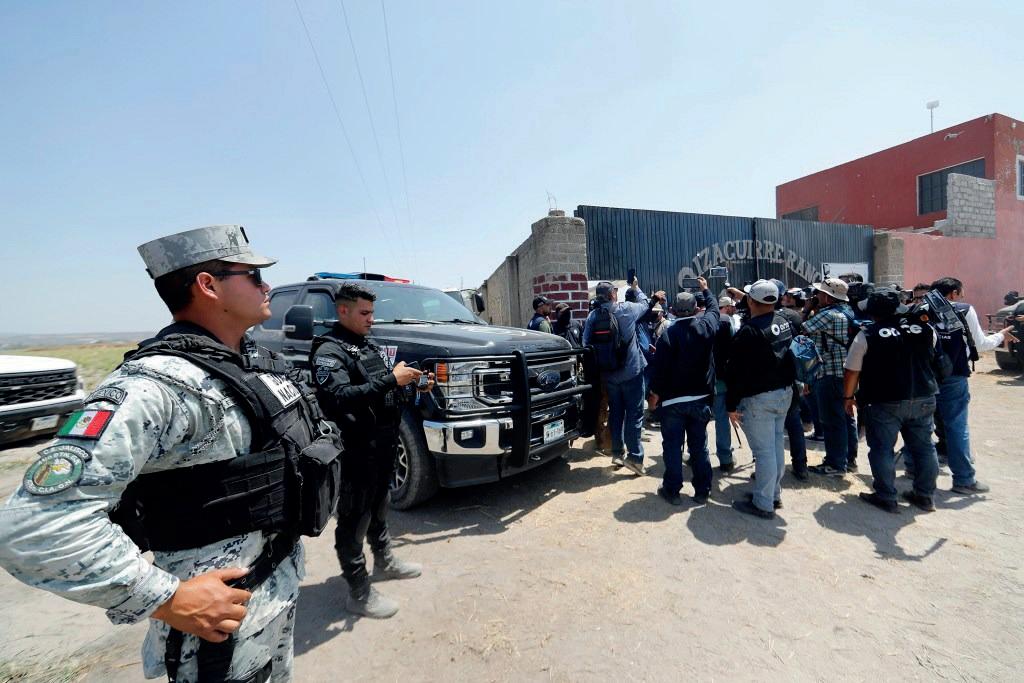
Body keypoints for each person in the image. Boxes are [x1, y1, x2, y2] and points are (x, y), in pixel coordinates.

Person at [0, 225, 343, 682]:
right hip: (215, 633)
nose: (267, 287)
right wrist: (168, 598)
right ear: (208, 285)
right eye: (253, 276)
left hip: (271, 600)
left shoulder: (249, 361)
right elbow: (34, 525)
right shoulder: (154, 386)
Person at [310, 281, 431, 618]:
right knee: (354, 518)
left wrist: (412, 386)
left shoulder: (366, 346)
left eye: (372, 312)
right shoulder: (329, 352)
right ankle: (359, 591)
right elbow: (339, 398)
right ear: (343, 310)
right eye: (364, 313)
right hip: (357, 449)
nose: (371, 319)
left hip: (383, 444)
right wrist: (392, 379)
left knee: (380, 505)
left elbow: (381, 393)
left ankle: (385, 560)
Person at [843, 287, 940, 513]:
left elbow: (852, 371)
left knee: (882, 449)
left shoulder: (866, 335)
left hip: (884, 401)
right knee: (925, 448)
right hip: (924, 396)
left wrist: (848, 397)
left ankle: (886, 496)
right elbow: (932, 357)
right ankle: (925, 496)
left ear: (872, 312)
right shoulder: (926, 329)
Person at [926, 277, 1017, 494]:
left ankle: (914, 470)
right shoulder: (965, 310)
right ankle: (964, 480)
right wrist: (1000, 336)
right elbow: (981, 344)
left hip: (924, 377)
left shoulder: (921, 309)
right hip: (954, 375)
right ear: (953, 293)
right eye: (961, 293)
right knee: (956, 426)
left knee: (921, 425)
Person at [724, 280, 797, 519]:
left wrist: (731, 405)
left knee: (765, 452)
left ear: (751, 301)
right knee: (775, 446)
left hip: (761, 399)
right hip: (784, 393)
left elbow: (735, 372)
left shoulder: (749, 331)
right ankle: (773, 494)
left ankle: (764, 503)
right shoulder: (783, 321)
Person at [648, 280, 720, 505]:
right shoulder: (706, 327)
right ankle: (702, 491)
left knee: (672, 447)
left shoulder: (667, 336)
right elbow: (714, 309)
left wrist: (654, 396)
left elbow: (659, 372)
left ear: (672, 311)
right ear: (697, 309)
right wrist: (705, 289)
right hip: (700, 400)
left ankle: (672, 490)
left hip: (672, 403)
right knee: (699, 447)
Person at [583, 279, 665, 475]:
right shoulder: (626, 309)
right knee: (634, 415)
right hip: (631, 372)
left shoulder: (593, 316)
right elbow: (645, 303)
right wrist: (636, 287)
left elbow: (586, 343)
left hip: (609, 376)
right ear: (612, 294)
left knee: (616, 413)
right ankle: (635, 458)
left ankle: (617, 453)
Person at [801, 277, 859, 476]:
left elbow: (802, 328)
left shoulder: (827, 315)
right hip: (847, 373)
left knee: (832, 421)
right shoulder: (848, 312)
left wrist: (807, 309)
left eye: (819, 293)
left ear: (828, 297)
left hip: (830, 373)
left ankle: (835, 464)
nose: (816, 296)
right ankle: (849, 460)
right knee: (846, 418)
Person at [711, 296, 736, 473]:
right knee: (721, 419)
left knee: (698, 421)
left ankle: (697, 455)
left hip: (700, 381)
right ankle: (726, 459)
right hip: (721, 378)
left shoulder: (695, 320)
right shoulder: (726, 321)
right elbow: (734, 349)